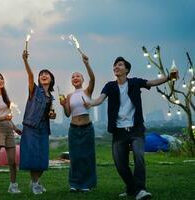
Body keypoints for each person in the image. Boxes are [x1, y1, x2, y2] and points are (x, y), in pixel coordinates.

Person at [84, 57, 178, 200]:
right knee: (120, 164)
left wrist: (168, 77)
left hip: (136, 129)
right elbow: (100, 99)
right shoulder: (110, 86)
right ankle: (131, 188)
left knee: (139, 156)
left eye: (120, 65)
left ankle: (140, 190)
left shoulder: (134, 82)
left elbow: (151, 82)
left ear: (126, 69)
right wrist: (90, 103)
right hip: (118, 131)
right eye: (115, 65)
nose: (116, 67)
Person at [20, 50, 56, 195]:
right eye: (41, 74)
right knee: (33, 157)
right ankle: (35, 184)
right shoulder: (34, 90)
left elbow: (49, 114)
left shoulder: (52, 97)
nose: (43, 75)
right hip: (31, 127)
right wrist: (25, 61)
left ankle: (35, 181)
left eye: (46, 74)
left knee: (42, 158)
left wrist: (52, 115)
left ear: (51, 79)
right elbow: (30, 75)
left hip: (43, 129)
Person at [59, 53, 96, 192]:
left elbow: (93, 78)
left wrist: (86, 63)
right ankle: (74, 184)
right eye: (73, 77)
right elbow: (68, 114)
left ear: (82, 79)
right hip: (74, 128)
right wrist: (63, 104)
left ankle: (86, 184)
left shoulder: (87, 91)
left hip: (86, 128)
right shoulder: (69, 96)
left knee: (87, 156)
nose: (75, 78)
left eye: (77, 76)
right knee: (74, 157)